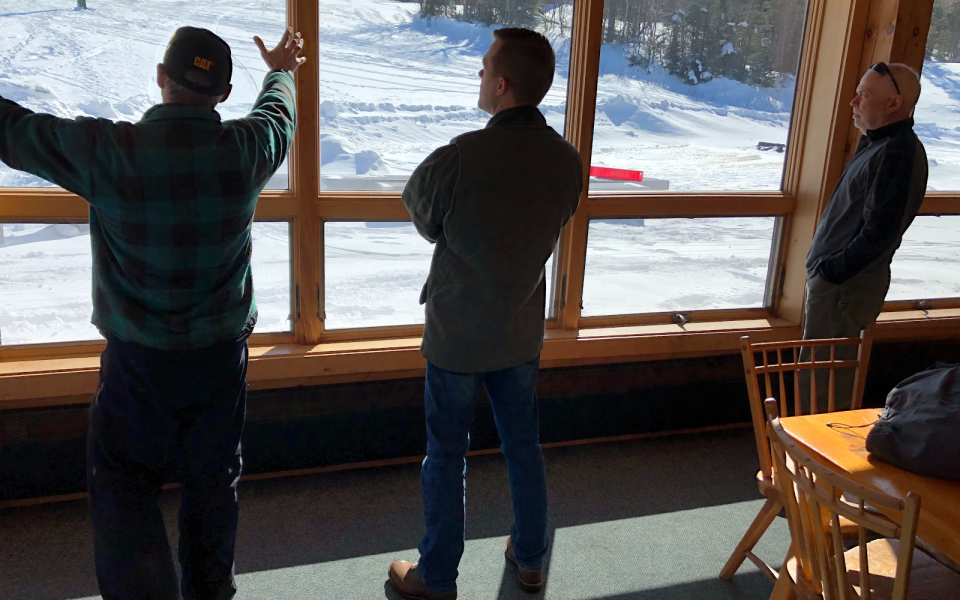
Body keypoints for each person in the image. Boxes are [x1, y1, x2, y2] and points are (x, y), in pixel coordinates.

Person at [0, 26, 305, 599]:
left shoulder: (109, 151)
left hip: (138, 365)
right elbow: (278, 115)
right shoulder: (246, 150)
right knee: (213, 484)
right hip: (220, 362)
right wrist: (282, 71)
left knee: (124, 490)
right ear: (224, 93)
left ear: (161, 77)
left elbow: (14, 130)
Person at [387, 28, 583, 600]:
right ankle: (531, 558)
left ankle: (437, 576)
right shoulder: (567, 161)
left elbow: (424, 217)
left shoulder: (460, 156)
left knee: (446, 454)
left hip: (456, 336)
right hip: (519, 332)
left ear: (501, 85)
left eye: (484, 68)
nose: (479, 76)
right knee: (523, 445)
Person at [803, 62, 927, 410]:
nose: (853, 102)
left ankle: (816, 448)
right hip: (838, 287)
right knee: (816, 378)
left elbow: (879, 233)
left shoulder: (897, 153)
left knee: (826, 389)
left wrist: (831, 272)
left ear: (894, 104)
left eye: (864, 95)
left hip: (846, 289)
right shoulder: (878, 144)